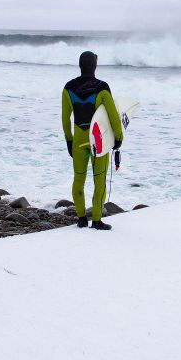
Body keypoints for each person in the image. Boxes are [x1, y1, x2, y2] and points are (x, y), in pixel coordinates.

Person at [61, 51, 122, 230]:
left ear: (80, 65)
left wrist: (69, 141)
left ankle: (81, 218)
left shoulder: (68, 88)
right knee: (99, 180)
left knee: (78, 179)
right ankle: (96, 220)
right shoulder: (102, 87)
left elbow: (65, 119)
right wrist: (118, 137)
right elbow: (113, 116)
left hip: (79, 140)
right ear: (94, 66)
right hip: (98, 140)